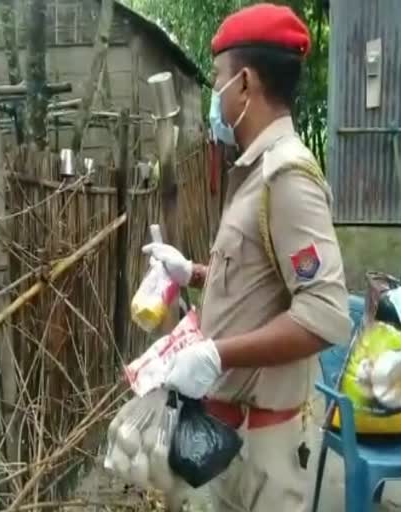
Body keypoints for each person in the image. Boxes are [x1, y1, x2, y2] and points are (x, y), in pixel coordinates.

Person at [143, 4, 351, 511]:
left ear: (244, 83)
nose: (214, 92)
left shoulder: (287, 177)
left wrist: (218, 354)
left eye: (216, 78)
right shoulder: (255, 172)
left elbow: (325, 315)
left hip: (262, 448)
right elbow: (263, 280)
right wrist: (191, 271)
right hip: (228, 437)